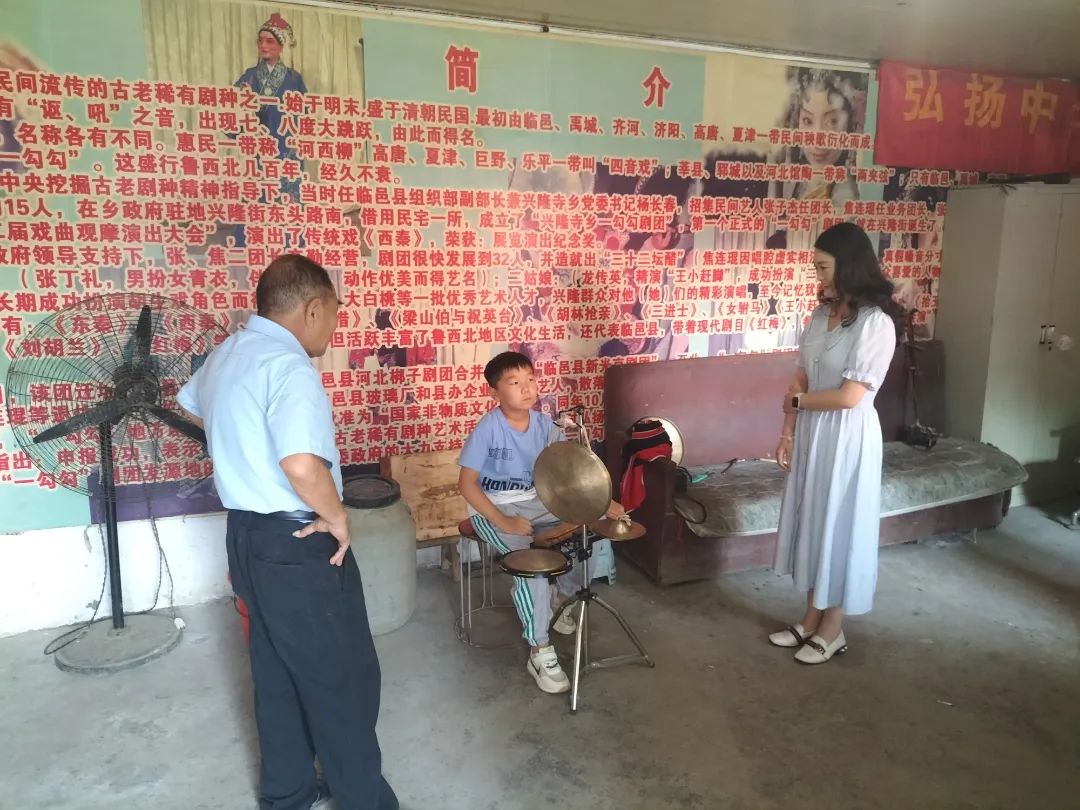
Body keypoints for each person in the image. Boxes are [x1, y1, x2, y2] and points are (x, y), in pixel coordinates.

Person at [177, 254, 398, 810]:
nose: (333, 329)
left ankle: (288, 793)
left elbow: (195, 409)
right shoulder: (289, 366)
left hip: (245, 536)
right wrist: (338, 518)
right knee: (341, 678)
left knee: (274, 667)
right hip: (297, 544)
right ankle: (363, 799)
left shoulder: (228, 352)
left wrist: (243, 450)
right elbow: (301, 464)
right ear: (312, 309)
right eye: (334, 316)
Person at [769, 222, 902, 665]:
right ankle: (810, 618)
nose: (818, 275)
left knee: (839, 526)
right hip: (812, 431)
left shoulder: (875, 324)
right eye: (816, 267)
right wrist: (788, 430)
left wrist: (798, 403)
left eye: (824, 267)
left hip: (848, 437)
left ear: (849, 266)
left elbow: (849, 397)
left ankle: (833, 627)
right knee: (813, 521)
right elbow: (800, 377)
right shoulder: (818, 316)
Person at [457, 351, 625, 694]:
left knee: (588, 534)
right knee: (530, 565)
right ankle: (539, 649)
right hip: (494, 508)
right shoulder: (488, 429)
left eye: (531, 379)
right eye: (514, 382)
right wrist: (503, 521)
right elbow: (466, 485)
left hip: (541, 503)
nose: (527, 388)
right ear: (494, 392)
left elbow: (567, 474)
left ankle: (559, 602)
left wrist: (602, 503)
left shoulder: (546, 426)